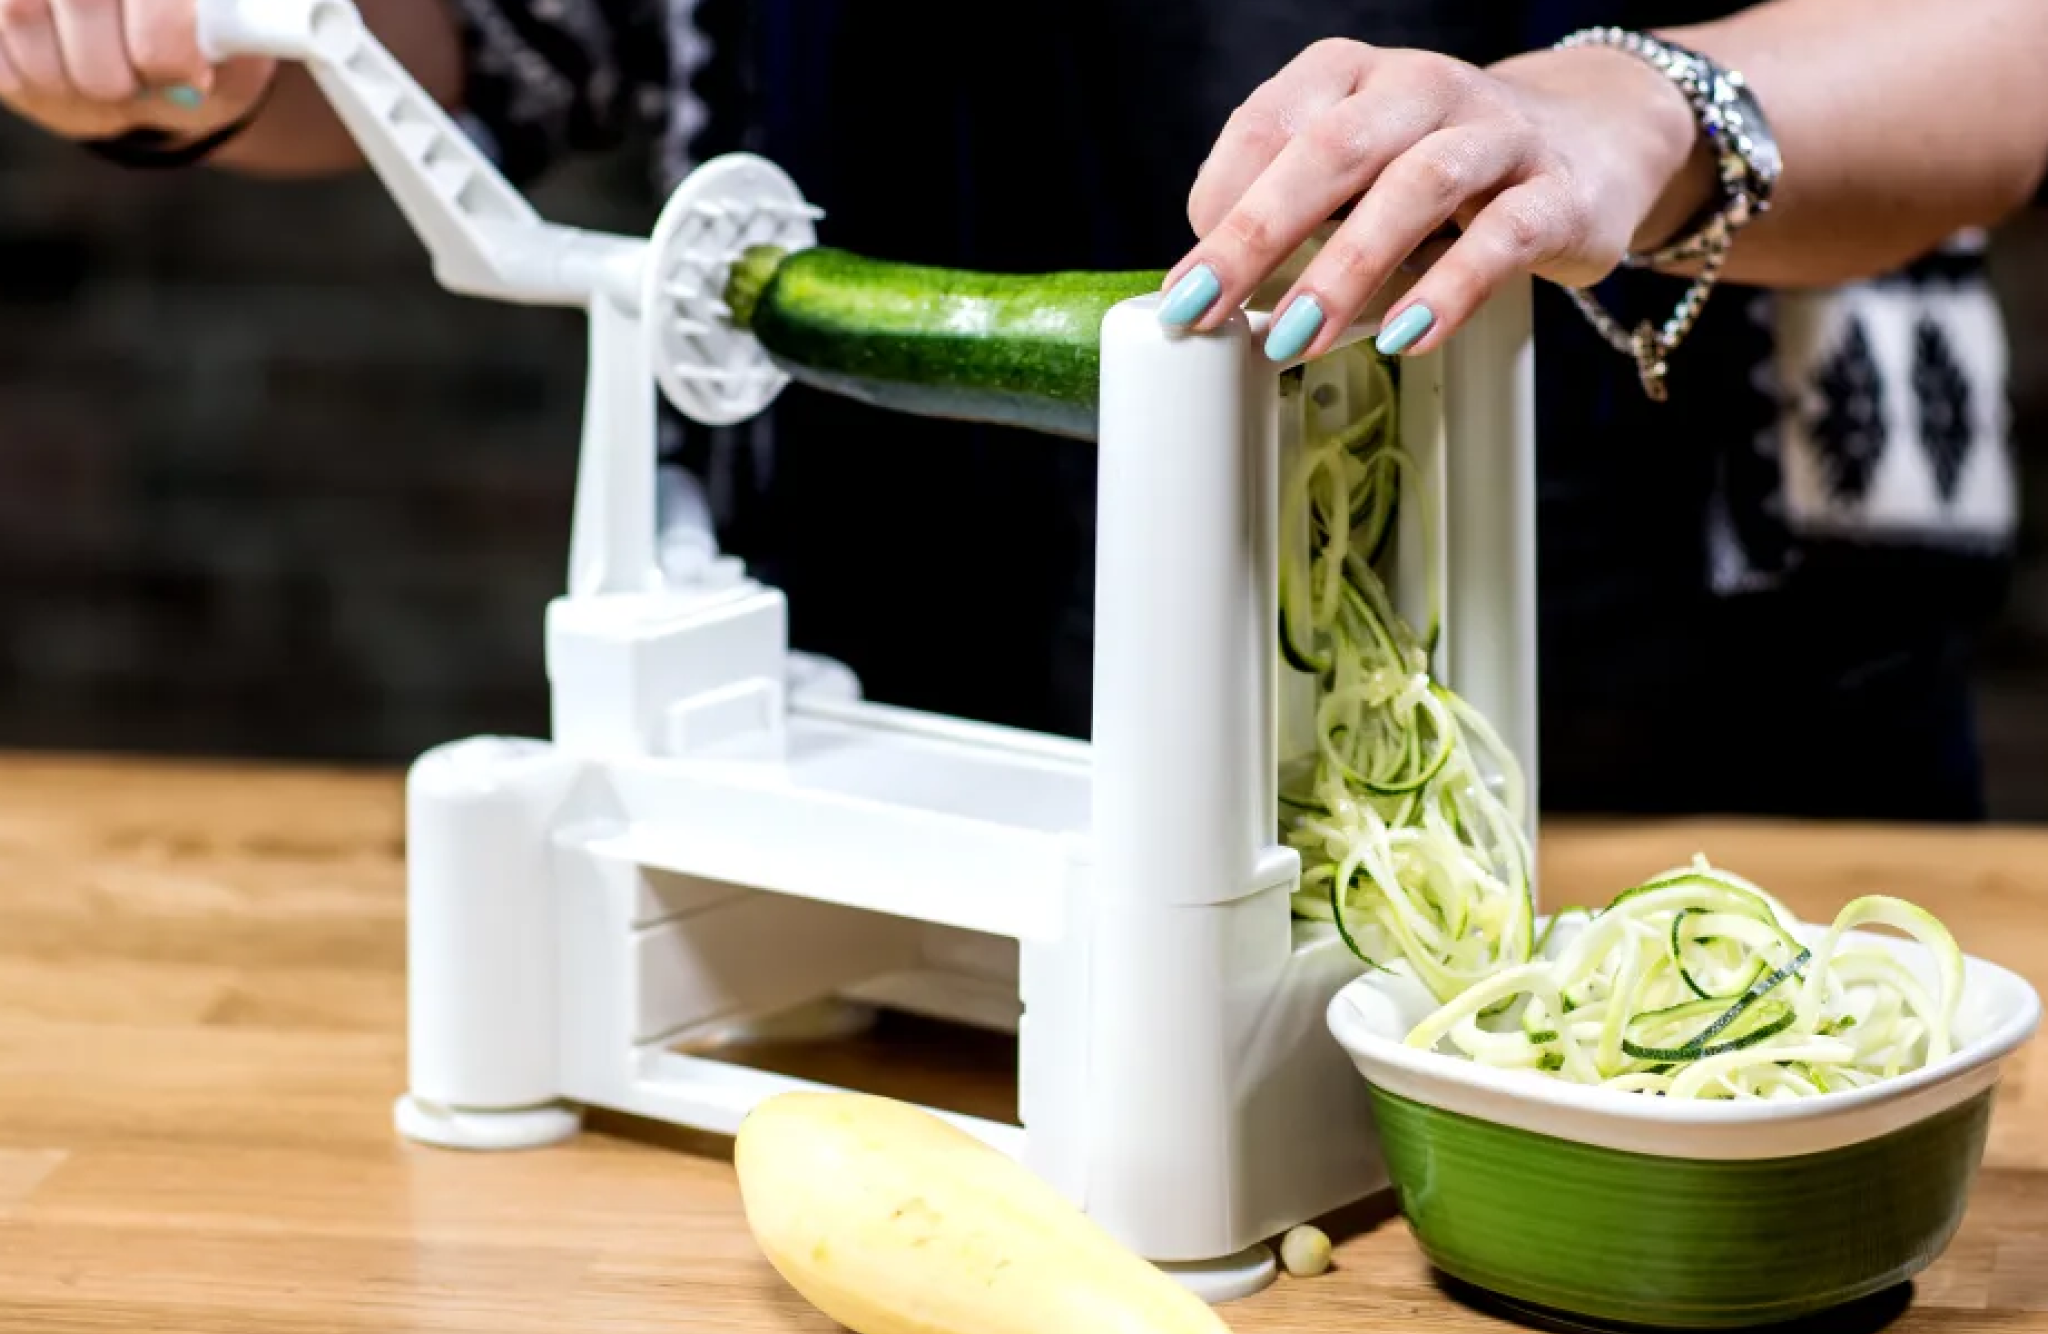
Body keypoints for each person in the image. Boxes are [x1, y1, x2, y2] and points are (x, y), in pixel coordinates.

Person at [5, 0, 2046, 820]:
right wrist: (180, 40)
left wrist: (1627, 108)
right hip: (906, 760)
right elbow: (488, 35)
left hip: (1679, 757)